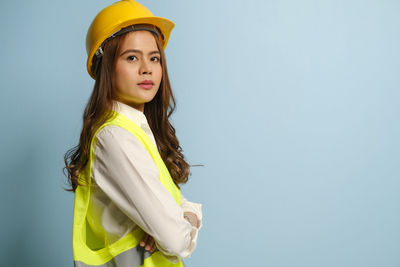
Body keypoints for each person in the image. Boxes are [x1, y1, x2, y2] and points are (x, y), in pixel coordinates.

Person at [63, 1, 203, 266]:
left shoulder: (134, 129)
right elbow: (175, 239)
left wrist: (186, 217)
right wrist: (181, 222)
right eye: (131, 57)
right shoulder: (115, 137)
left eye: (154, 58)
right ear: (106, 66)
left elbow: (182, 209)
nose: (146, 68)